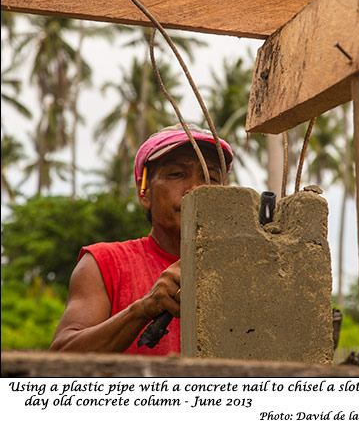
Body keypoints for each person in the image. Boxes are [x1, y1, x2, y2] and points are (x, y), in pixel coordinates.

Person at [50, 124, 233, 356]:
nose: (195, 189)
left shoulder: (245, 272)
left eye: (212, 177)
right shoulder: (104, 264)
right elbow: (60, 360)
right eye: (177, 174)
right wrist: (142, 310)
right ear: (143, 192)